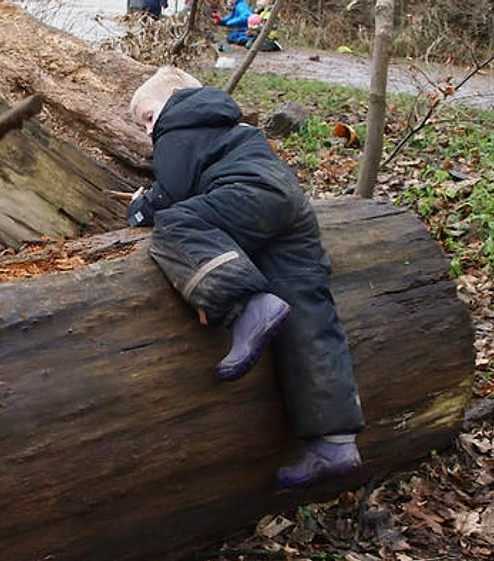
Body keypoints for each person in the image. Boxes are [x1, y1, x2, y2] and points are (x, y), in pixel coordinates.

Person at [127, 66, 366, 488]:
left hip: (245, 193)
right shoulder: (229, 125)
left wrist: (140, 207)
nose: (149, 131)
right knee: (309, 312)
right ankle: (336, 443)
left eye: (148, 117)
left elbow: (172, 194)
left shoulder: (180, 119)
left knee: (176, 225)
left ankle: (248, 308)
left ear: (177, 95)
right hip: (286, 203)